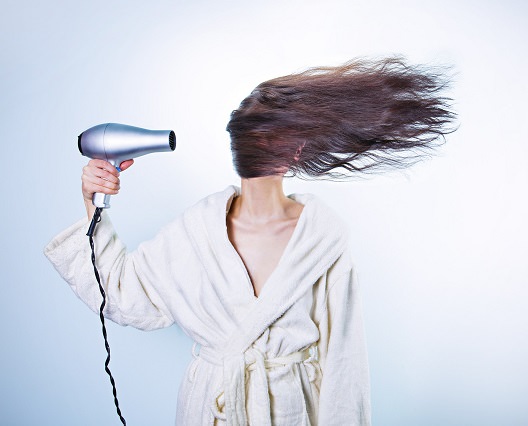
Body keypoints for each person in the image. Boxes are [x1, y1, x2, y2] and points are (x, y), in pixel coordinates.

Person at [44, 57, 456, 426]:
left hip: (294, 412)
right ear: (297, 150)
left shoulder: (322, 241)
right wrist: (91, 204)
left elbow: (344, 367)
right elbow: (122, 297)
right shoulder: (195, 233)